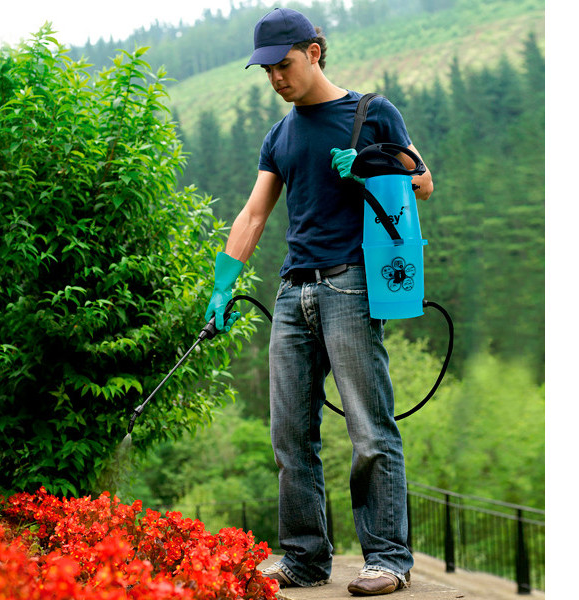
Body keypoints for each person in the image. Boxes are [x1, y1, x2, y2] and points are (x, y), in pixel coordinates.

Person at [202, 7, 434, 597]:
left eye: (284, 64)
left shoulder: (371, 112)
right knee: (290, 434)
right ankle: (305, 559)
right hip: (291, 292)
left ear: (313, 51)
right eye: (267, 71)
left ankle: (387, 559)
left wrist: (371, 168)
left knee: (368, 427)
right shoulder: (279, 135)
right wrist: (223, 282)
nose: (277, 78)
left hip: (351, 285)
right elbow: (255, 213)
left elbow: (423, 182)